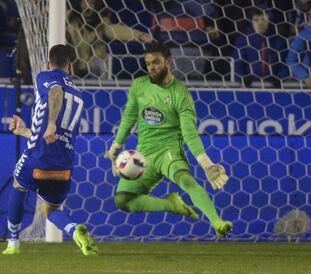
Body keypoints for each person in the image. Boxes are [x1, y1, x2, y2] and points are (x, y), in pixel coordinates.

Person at [105, 43, 233, 238]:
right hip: (144, 155)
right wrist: (115, 147)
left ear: (168, 62)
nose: (151, 68)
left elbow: (190, 133)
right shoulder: (139, 85)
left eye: (156, 63)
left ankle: (217, 222)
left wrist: (206, 164)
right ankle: (170, 204)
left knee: (187, 181)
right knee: (122, 201)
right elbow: (129, 117)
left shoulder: (180, 94)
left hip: (169, 152)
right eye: (148, 64)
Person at [3, 45, 97, 256]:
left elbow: (56, 91)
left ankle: (12, 244)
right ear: (70, 65)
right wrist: (25, 130)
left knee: (18, 185)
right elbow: (53, 134)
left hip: (38, 158)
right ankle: (74, 230)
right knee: (50, 210)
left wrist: (52, 122)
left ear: (48, 63)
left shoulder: (45, 77)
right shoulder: (79, 92)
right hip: (63, 164)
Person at [67, 0, 153, 78]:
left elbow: (115, 30)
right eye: (84, 2)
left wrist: (139, 35)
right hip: (74, 66)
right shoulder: (70, 22)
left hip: (94, 66)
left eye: (91, 3)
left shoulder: (101, 22)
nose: (87, 5)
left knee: (98, 63)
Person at [233, 8, 288, 88]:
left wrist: (280, 78)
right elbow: (238, 64)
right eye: (256, 20)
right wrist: (242, 79)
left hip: (273, 87)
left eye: (263, 19)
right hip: (249, 87)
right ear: (250, 21)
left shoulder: (279, 41)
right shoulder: (242, 41)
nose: (260, 23)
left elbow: (284, 64)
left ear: (269, 20)